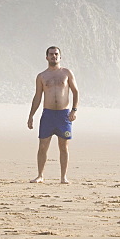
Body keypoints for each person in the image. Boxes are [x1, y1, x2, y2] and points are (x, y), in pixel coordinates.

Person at [27, 46, 79, 184]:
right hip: (48, 114)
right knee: (43, 146)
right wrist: (31, 115)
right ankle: (40, 175)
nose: (53, 56)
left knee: (64, 146)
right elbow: (37, 96)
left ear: (60, 57)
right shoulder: (42, 76)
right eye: (51, 54)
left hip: (64, 115)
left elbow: (76, 92)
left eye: (56, 54)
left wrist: (74, 110)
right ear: (46, 57)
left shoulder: (66, 73)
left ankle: (63, 177)